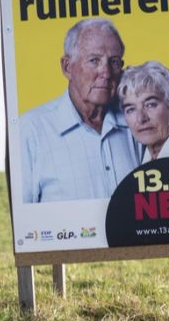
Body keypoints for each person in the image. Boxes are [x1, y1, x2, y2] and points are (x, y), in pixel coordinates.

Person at [20, 18, 139, 203]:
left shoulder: (137, 124)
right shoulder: (30, 130)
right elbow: (22, 220)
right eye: (94, 61)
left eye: (114, 62)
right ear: (67, 67)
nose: (106, 73)